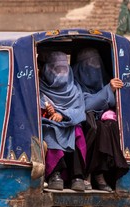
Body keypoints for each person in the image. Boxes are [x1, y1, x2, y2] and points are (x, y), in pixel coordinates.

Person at [72, 48, 129, 192]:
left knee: (108, 127)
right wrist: (108, 90)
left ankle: (99, 174)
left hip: (101, 121)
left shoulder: (104, 80)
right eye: (90, 65)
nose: (94, 69)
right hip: (83, 121)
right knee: (93, 126)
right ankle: (87, 174)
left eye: (97, 65)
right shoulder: (74, 84)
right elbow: (86, 105)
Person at [39, 51, 87, 191]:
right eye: (56, 69)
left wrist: (63, 114)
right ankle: (55, 174)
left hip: (70, 122)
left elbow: (79, 109)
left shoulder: (74, 88)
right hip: (48, 122)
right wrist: (46, 109)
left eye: (64, 69)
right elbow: (36, 103)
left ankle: (77, 176)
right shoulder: (39, 86)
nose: (61, 73)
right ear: (48, 69)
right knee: (50, 130)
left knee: (77, 132)